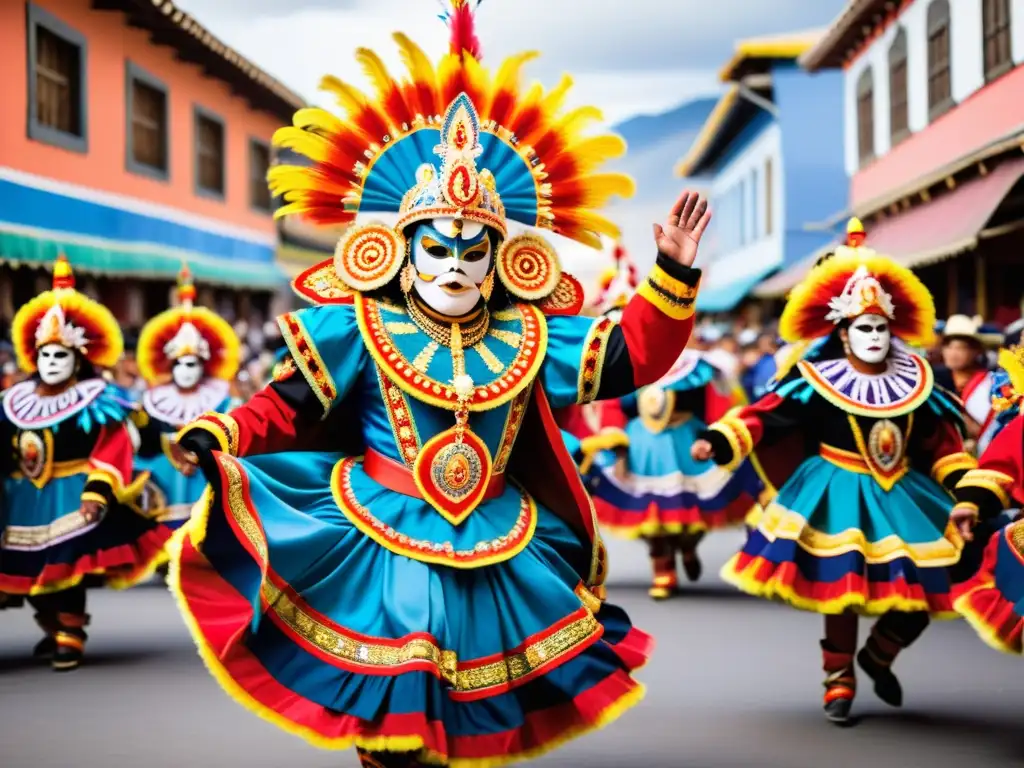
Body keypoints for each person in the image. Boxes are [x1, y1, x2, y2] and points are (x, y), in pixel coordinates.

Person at [167, 5, 709, 766]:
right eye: (436, 247)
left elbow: (631, 357)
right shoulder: (355, 328)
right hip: (378, 532)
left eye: (473, 249)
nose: (454, 263)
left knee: (466, 725)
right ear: (402, 252)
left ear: (500, 261)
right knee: (397, 715)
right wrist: (221, 431)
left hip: (495, 538)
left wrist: (674, 273)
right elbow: (283, 407)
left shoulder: (532, 336)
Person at [691, 220, 976, 724]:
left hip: (905, 493)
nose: (873, 336)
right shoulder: (815, 379)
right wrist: (718, 439)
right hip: (835, 489)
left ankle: (879, 653)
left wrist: (969, 491)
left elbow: (943, 445)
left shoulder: (920, 382)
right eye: (862, 327)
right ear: (842, 333)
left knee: (940, 582)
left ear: (894, 331)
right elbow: (765, 414)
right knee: (842, 587)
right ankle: (838, 678)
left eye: (881, 327)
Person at [0, 255, 171, 670]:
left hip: (73, 494)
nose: (51, 363)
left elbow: (111, 449)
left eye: (61, 356)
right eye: (45, 356)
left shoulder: (96, 400)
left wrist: (97, 492)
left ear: (78, 359)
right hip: (25, 497)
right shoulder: (12, 401)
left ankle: (70, 632)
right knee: (26, 568)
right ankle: (50, 625)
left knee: (64, 563)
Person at [134, 266, 240, 530]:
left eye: (191, 364)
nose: (185, 371)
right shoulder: (151, 403)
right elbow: (142, 448)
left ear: (204, 365)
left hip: (207, 485)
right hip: (164, 487)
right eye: (179, 364)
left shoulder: (222, 400)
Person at [938, 315, 1000, 452]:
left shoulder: (990, 384)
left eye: (961, 348)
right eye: (949, 346)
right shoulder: (936, 380)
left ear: (976, 351)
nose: (953, 353)